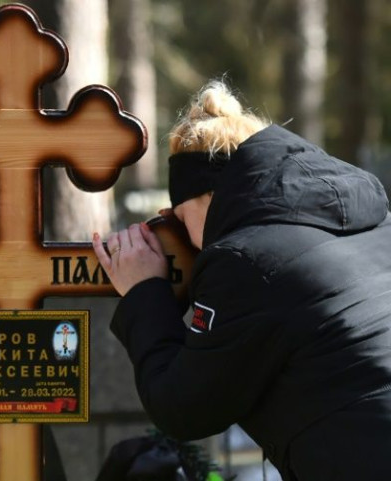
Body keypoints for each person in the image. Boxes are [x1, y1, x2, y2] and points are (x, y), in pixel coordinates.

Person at [92, 80, 391, 480]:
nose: (182, 233)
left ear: (206, 199)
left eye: (180, 218)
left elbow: (183, 408)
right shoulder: (373, 222)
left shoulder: (245, 260)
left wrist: (145, 291)